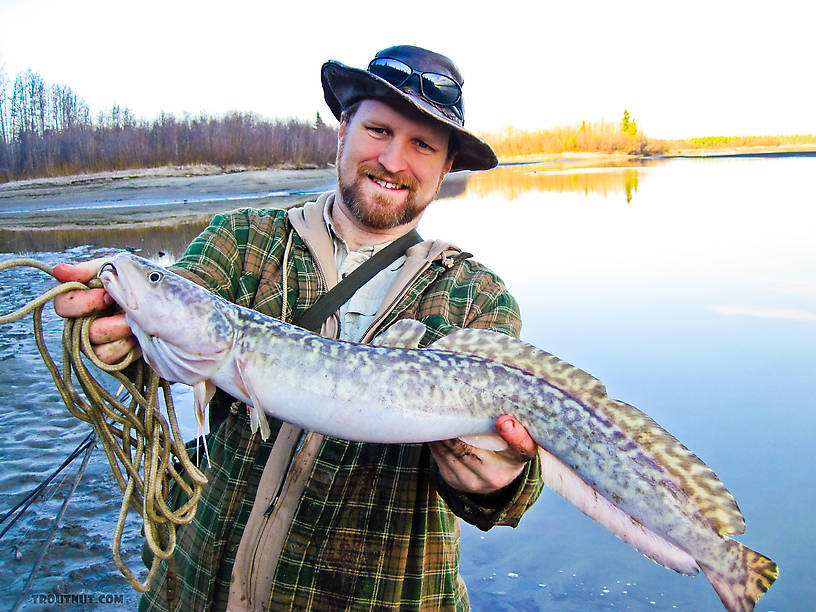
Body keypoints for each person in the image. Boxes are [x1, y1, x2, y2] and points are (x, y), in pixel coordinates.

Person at [54, 45, 544, 611]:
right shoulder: (244, 241)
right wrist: (121, 321)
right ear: (343, 132)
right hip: (196, 591)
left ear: (446, 167)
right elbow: (170, 328)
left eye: (422, 144)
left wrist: (497, 479)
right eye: (378, 130)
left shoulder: (476, 298)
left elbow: (507, 494)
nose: (392, 159)